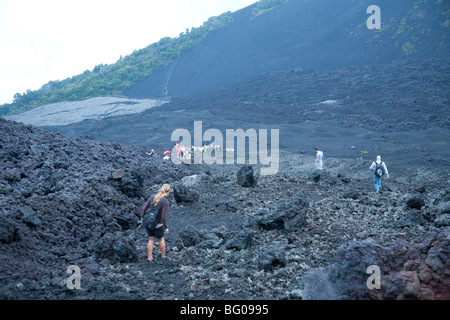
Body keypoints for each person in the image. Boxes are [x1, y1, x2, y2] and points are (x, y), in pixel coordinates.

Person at [141, 184, 171, 261]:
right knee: (161, 239)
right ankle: (163, 256)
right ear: (168, 192)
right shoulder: (165, 202)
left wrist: (142, 218)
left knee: (151, 239)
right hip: (157, 224)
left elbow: (145, 208)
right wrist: (166, 227)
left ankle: (149, 257)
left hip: (148, 222)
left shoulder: (152, 197)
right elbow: (163, 217)